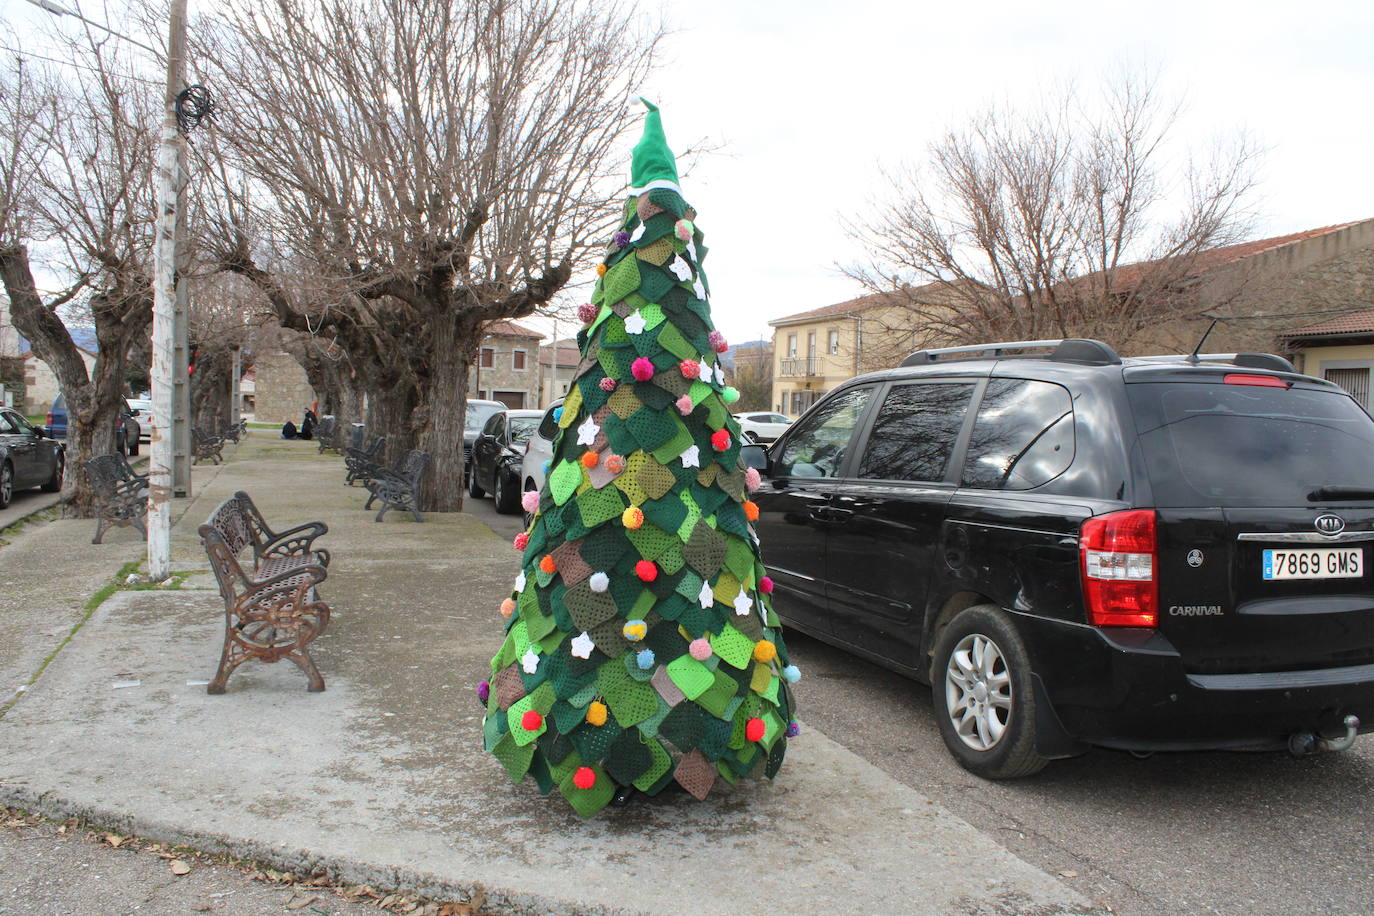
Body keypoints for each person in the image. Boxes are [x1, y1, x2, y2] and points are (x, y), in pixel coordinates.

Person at [480, 101, 796, 817]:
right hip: (628, 536)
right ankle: (616, 741)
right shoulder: (642, 340)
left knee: (655, 577)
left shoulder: (655, 347)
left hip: (662, 521)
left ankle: (684, 743)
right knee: (622, 583)